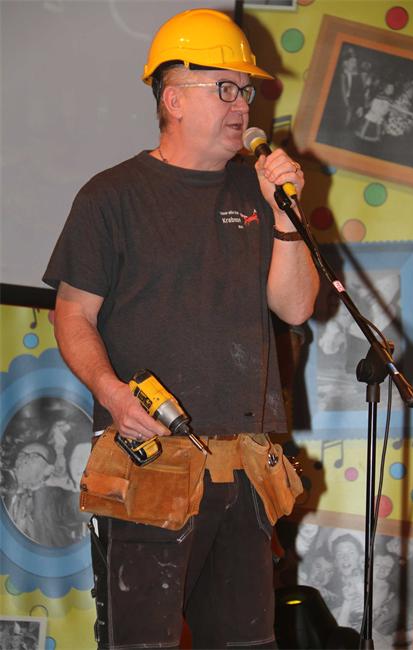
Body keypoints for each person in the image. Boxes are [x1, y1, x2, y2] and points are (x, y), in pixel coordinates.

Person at [43, 7, 319, 649]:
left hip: (245, 467)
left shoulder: (258, 195)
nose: (242, 105)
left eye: (246, 91)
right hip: (150, 465)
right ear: (173, 99)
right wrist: (112, 394)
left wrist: (286, 217)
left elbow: (297, 308)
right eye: (225, 88)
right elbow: (72, 313)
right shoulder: (111, 196)